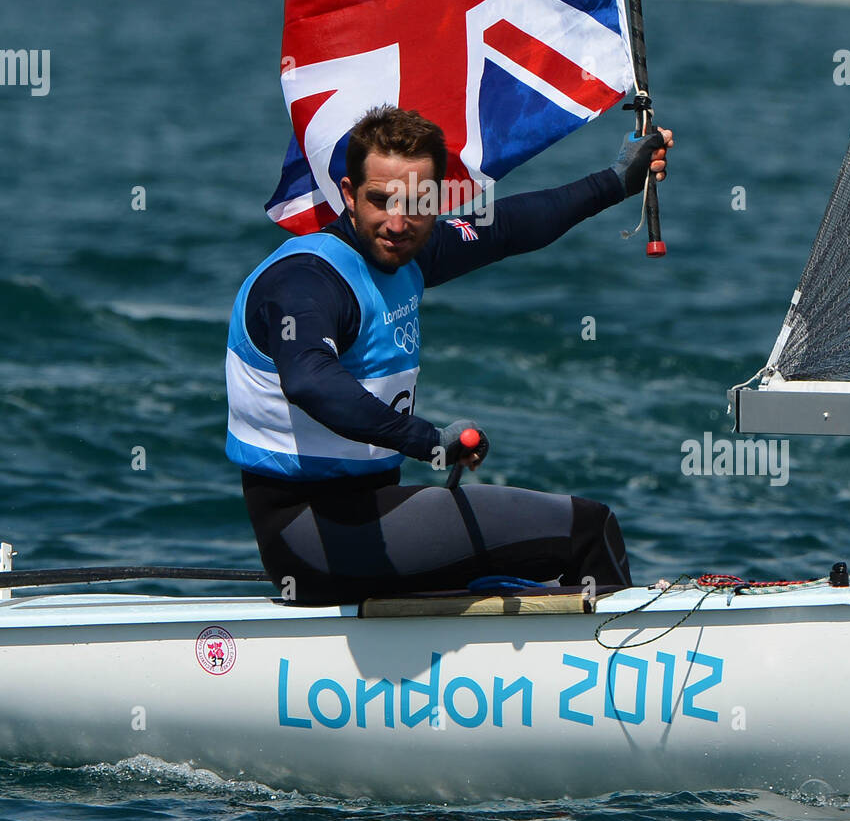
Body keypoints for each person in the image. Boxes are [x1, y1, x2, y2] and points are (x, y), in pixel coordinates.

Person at [226, 105, 673, 604]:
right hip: (311, 534)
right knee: (587, 528)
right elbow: (310, 380)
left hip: (372, 514)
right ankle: (627, 657)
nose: (397, 223)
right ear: (349, 196)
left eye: (416, 203)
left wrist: (616, 181)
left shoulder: (409, 251)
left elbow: (508, 227)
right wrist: (428, 440)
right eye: (381, 200)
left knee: (533, 567)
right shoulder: (306, 282)